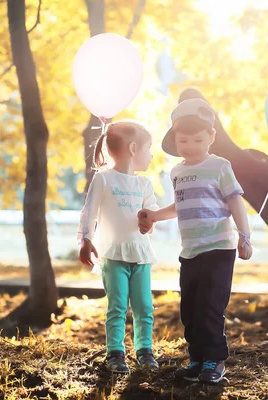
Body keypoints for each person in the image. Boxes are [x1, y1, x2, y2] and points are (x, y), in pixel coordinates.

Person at [137, 98, 252, 384]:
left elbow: (235, 202)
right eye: (183, 140)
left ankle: (215, 361)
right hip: (190, 251)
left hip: (218, 249)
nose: (189, 145)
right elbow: (179, 206)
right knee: (190, 307)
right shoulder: (177, 172)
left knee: (210, 306)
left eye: (197, 139)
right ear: (175, 140)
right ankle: (198, 358)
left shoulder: (220, 166)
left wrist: (244, 236)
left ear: (211, 137)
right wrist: (153, 216)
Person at [78, 120, 160, 373]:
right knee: (117, 305)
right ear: (133, 148)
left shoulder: (144, 184)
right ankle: (115, 352)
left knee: (144, 306)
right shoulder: (104, 179)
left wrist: (149, 223)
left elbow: (152, 213)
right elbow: (88, 212)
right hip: (113, 255)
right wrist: (85, 240)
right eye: (148, 148)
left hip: (140, 254)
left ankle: (144, 350)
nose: (151, 154)